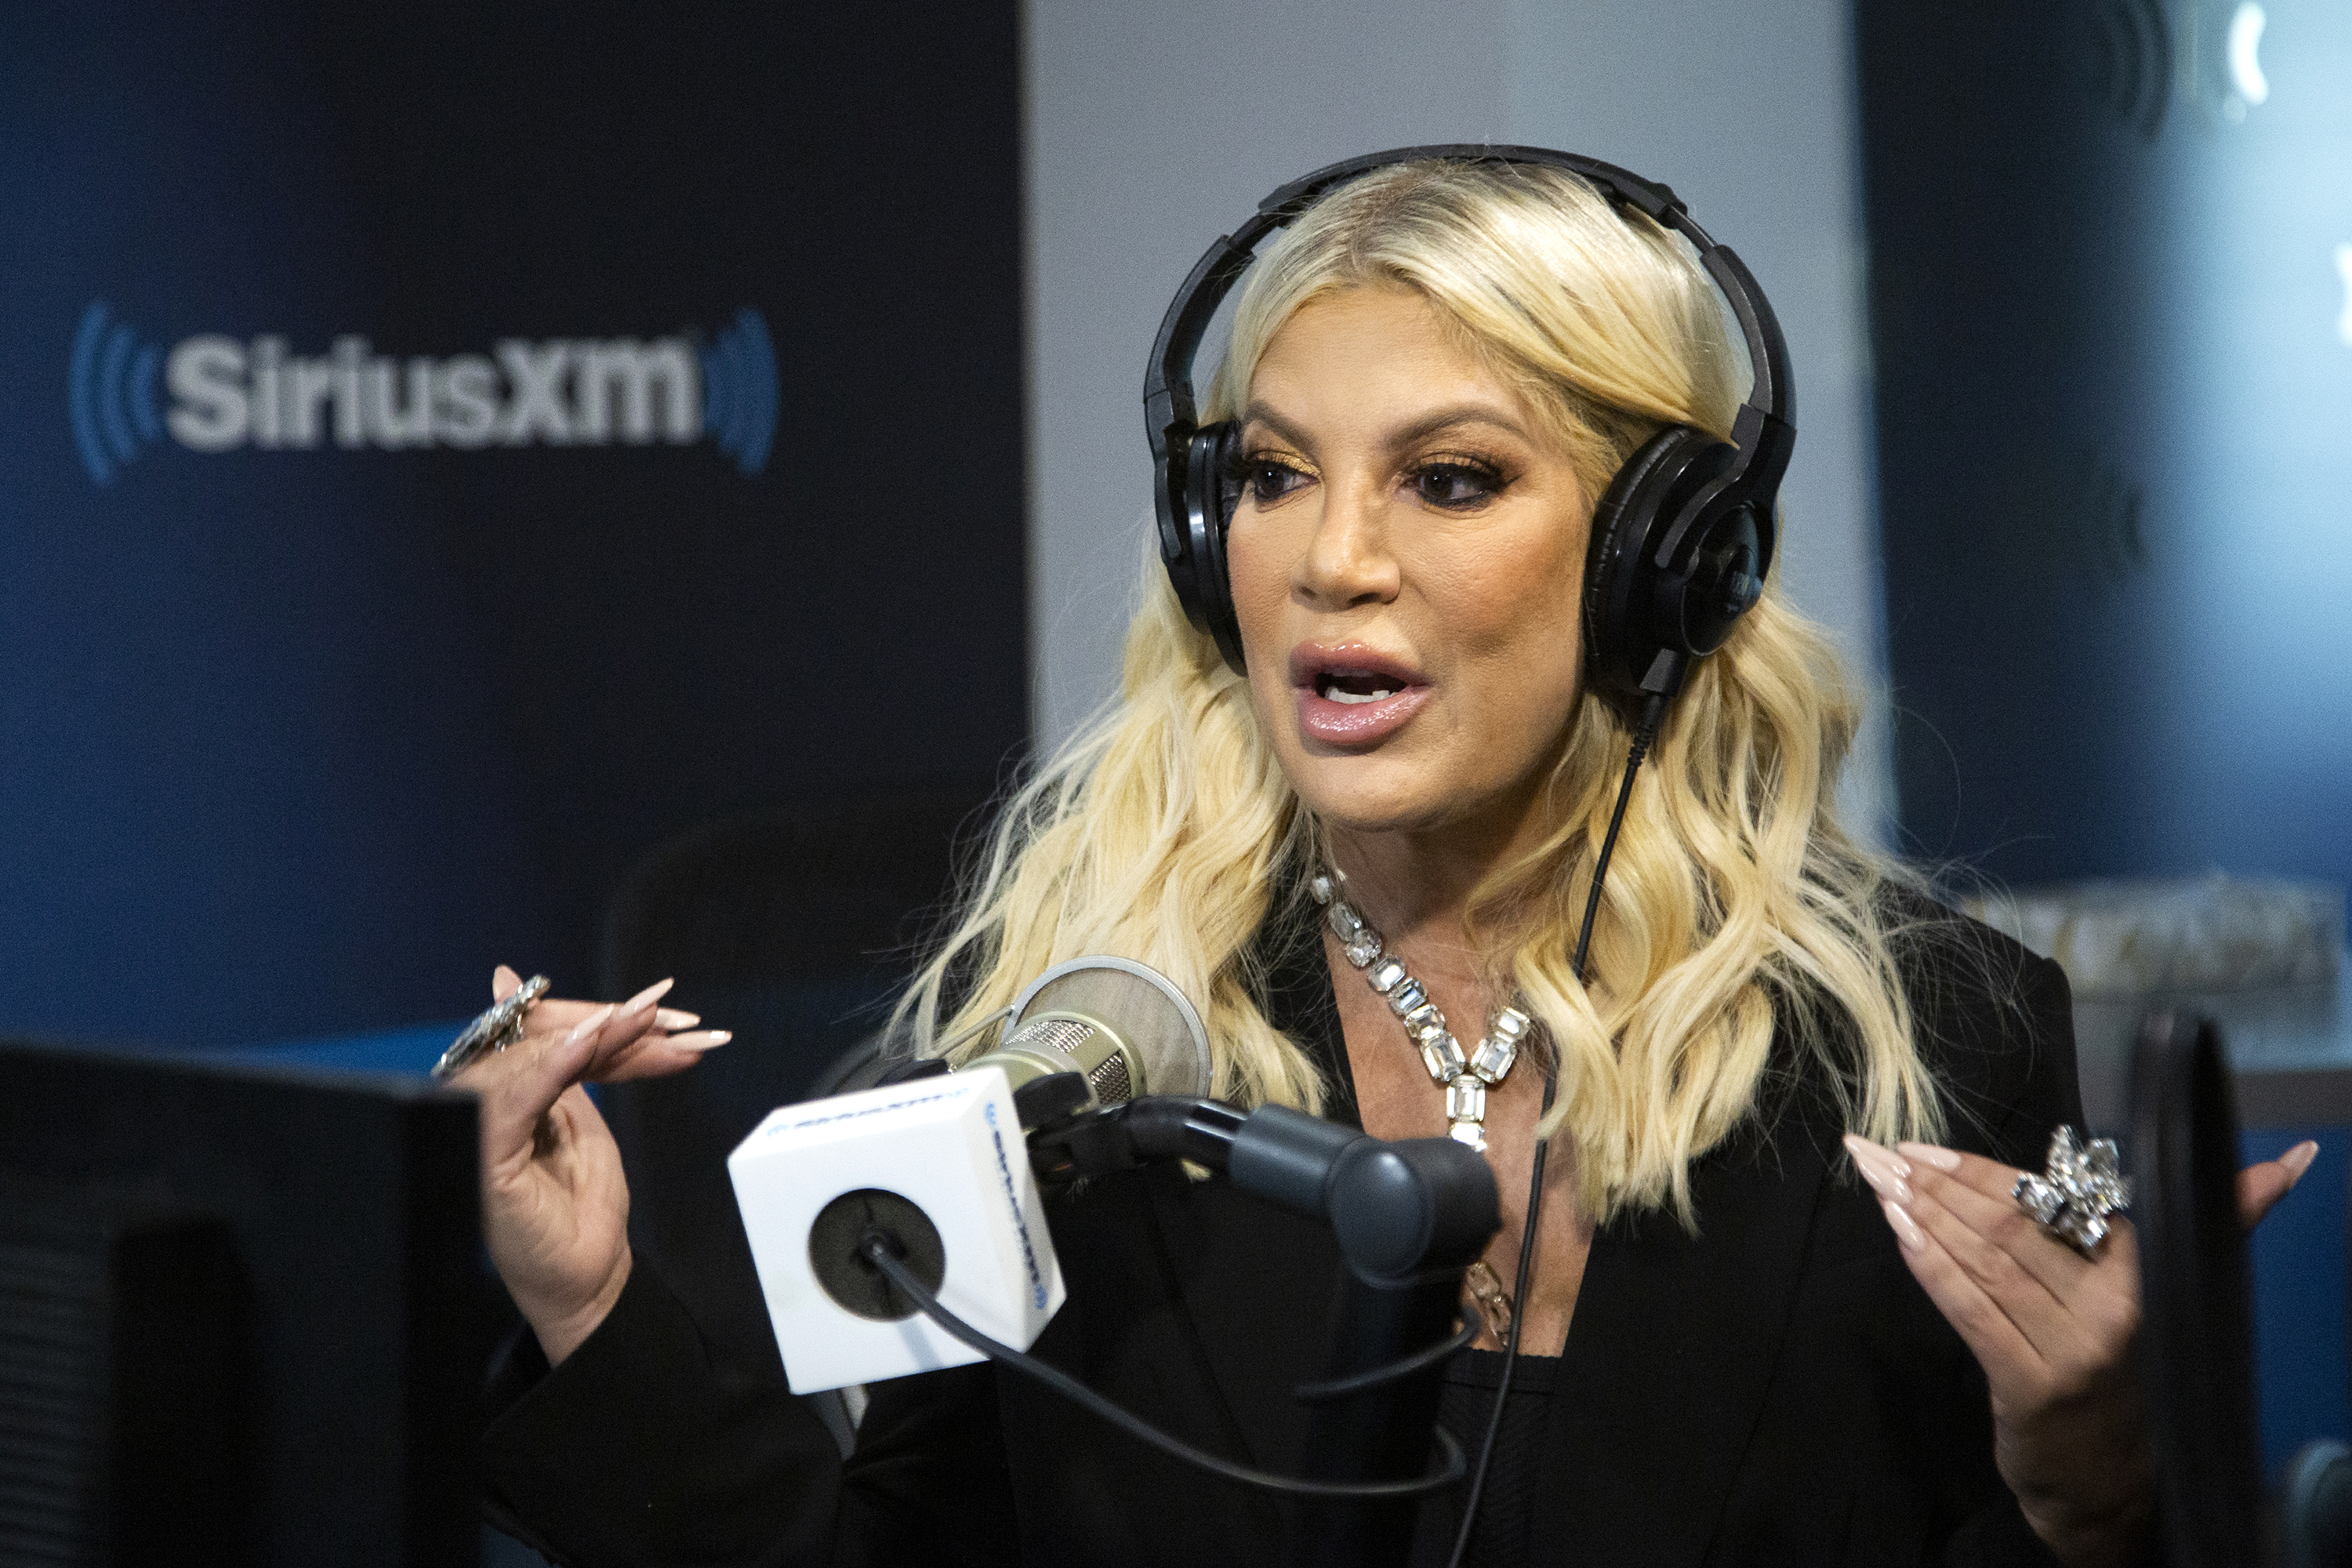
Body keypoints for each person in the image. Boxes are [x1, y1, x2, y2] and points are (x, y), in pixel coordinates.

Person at [457, 152, 2318, 1567]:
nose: (1329, 558)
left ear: (1661, 557)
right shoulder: (1090, 1042)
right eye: (1271, 476)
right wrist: (591, 1310)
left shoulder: (1934, 1037)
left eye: (1449, 479)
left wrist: (2092, 1480)